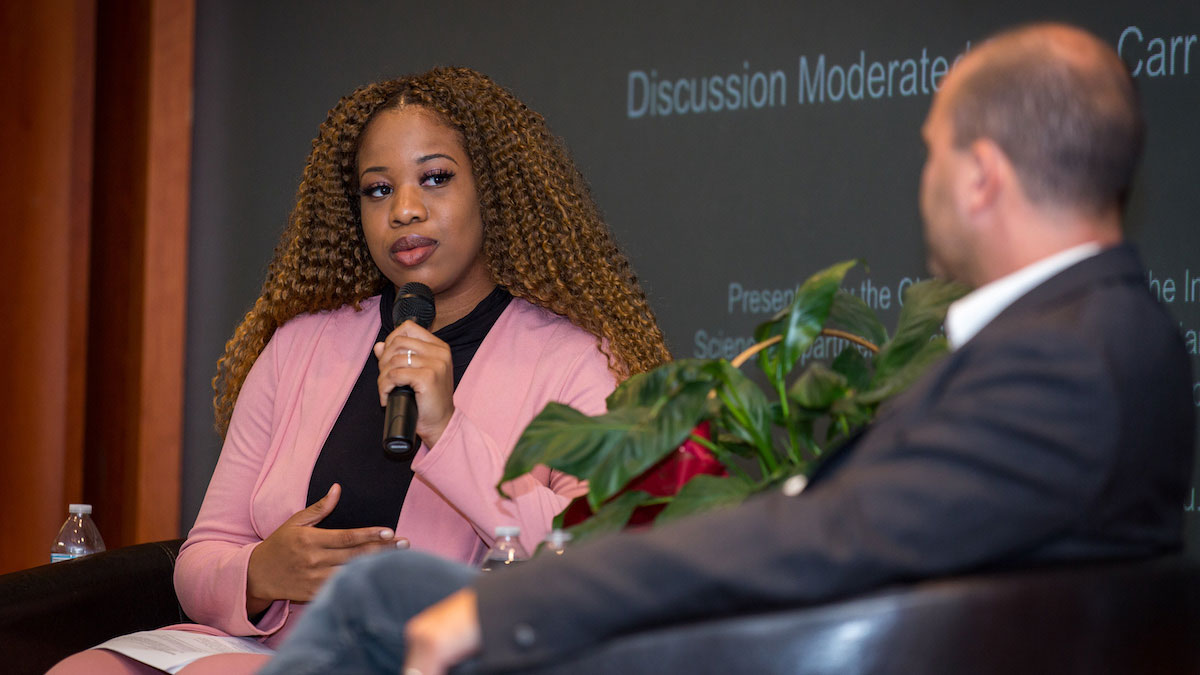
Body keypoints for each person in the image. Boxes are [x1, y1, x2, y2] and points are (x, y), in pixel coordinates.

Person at [260, 23, 1196, 675]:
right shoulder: (1094, 339)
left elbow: (833, 540)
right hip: (775, 630)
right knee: (385, 594)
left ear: (983, 177)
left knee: (376, 600)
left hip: (755, 646)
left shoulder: (1074, 360)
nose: (928, 183)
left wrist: (515, 601)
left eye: (934, 153)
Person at [49, 67, 670, 674]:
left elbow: (597, 557)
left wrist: (449, 431)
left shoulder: (575, 360)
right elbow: (200, 556)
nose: (404, 210)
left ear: (494, 191)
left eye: (435, 178)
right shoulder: (299, 345)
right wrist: (261, 573)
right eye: (379, 189)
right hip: (260, 653)